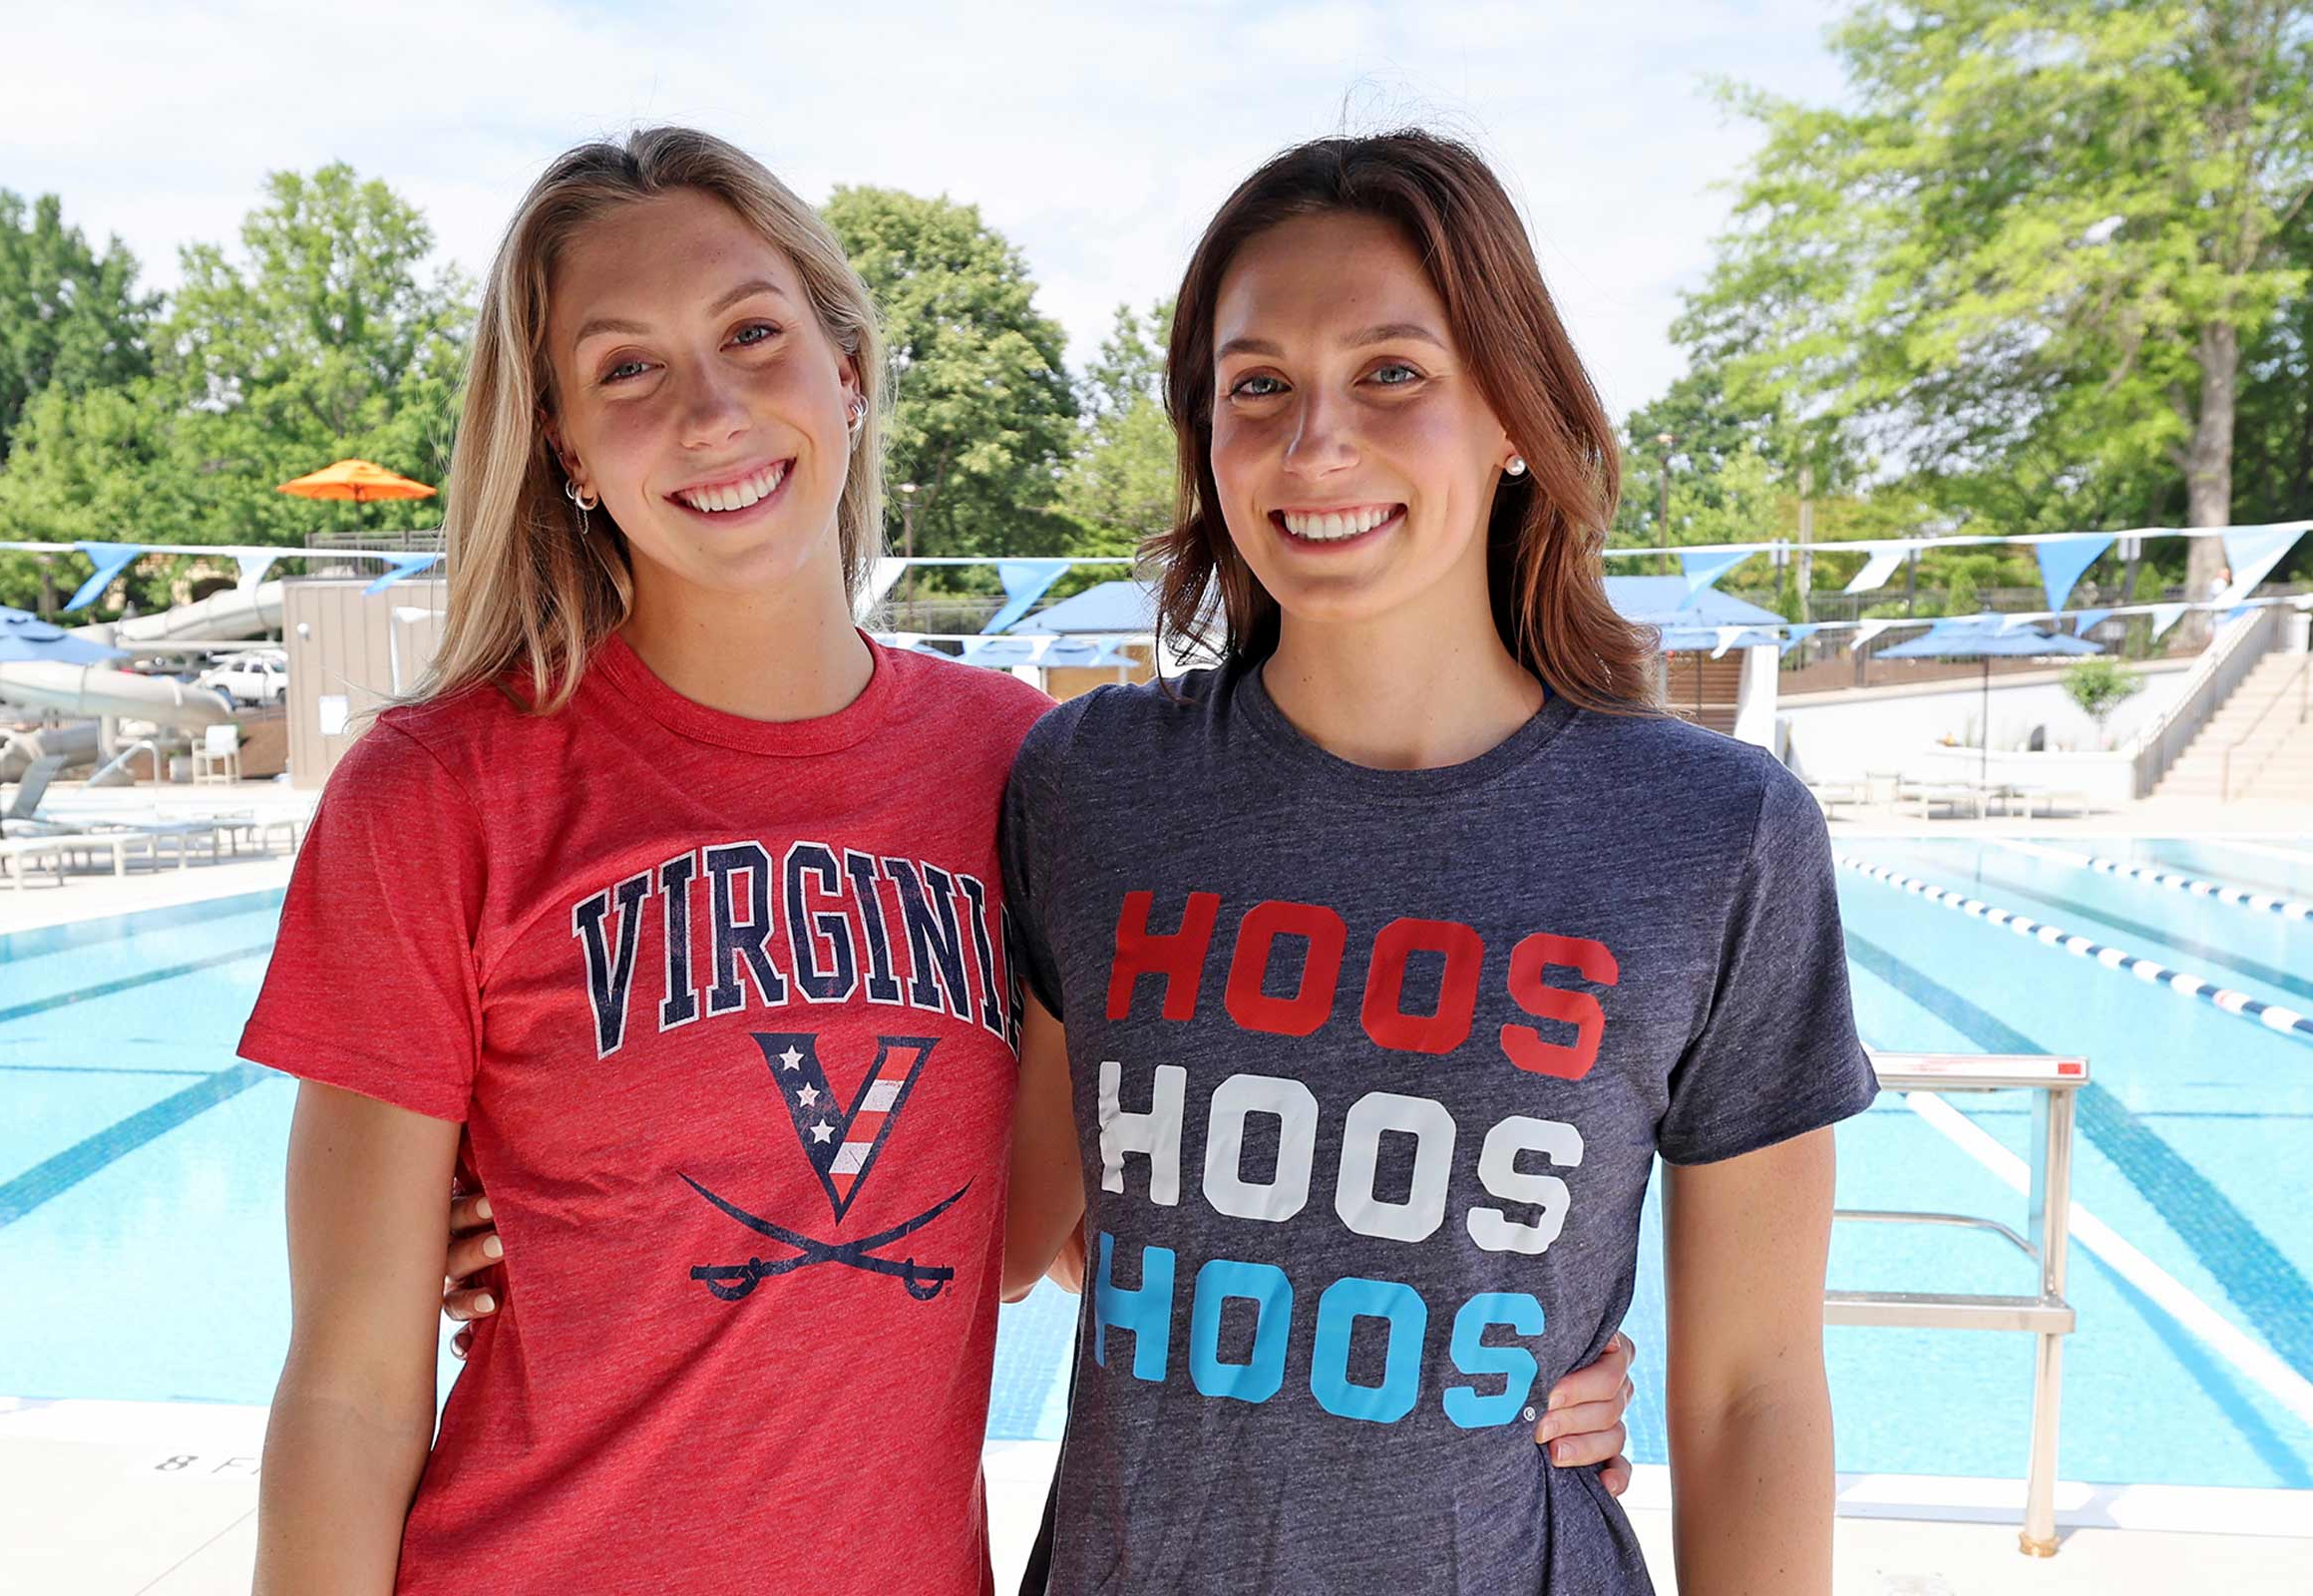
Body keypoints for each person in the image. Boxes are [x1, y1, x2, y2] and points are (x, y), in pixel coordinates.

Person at [249, 127, 1639, 1596]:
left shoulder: (1019, 767)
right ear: (563, 445)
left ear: (845, 371)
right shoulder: (441, 791)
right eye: (625, 370)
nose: (712, 409)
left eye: (751, 333)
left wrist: (1505, 1375)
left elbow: (1094, 1218)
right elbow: (348, 1388)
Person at [991, 133, 1873, 1593]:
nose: (1314, 443)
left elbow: (1751, 1391)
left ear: (1514, 412)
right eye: (1256, 384)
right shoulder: (1094, 789)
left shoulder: (1713, 835)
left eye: (1392, 371)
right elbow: (1015, 1222)